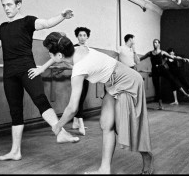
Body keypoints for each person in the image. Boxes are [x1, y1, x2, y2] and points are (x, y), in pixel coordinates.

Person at [0, 0, 79, 161]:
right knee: (15, 111)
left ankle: (60, 132)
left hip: (27, 69)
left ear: (18, 5)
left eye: (10, 4)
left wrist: (62, 15)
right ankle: (15, 151)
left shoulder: (27, 21)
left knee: (40, 99)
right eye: (4, 5)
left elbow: (46, 23)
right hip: (9, 73)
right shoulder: (3, 27)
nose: (6, 8)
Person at [28, 32, 154, 174]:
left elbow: (72, 108)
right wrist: (43, 68)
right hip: (112, 85)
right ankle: (104, 170)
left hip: (128, 82)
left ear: (59, 56)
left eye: (50, 54)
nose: (49, 56)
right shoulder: (78, 49)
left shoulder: (78, 69)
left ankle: (147, 156)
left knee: (126, 126)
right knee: (106, 124)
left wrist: (58, 126)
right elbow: (61, 57)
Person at [139, 39, 189, 110]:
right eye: (153, 43)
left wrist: (183, 59)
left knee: (172, 79)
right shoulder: (150, 53)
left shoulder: (162, 52)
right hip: (155, 71)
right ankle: (160, 105)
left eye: (156, 42)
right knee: (157, 88)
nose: (154, 44)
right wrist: (134, 60)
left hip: (162, 69)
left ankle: (185, 93)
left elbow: (173, 57)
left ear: (159, 44)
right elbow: (141, 58)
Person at [72, 27, 91, 135]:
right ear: (77, 36)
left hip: (86, 76)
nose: (82, 38)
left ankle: (75, 122)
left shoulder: (88, 49)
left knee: (81, 99)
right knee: (78, 99)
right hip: (77, 77)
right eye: (80, 35)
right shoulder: (74, 48)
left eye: (84, 35)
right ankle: (81, 123)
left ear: (87, 36)